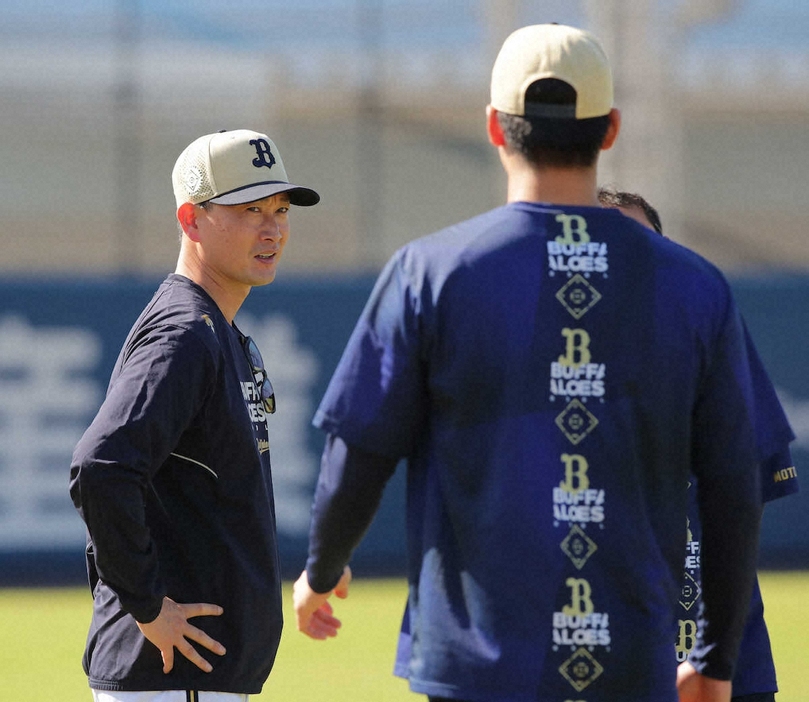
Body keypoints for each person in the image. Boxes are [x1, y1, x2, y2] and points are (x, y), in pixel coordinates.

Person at [293, 23, 763, 702]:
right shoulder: (695, 285)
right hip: (631, 664)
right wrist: (717, 662)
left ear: (492, 126)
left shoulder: (430, 272)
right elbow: (730, 487)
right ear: (609, 131)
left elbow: (360, 449)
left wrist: (320, 567)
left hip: (475, 667)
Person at [69, 128, 319, 701]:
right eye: (250, 208)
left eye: (280, 209)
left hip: (189, 680)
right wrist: (149, 607)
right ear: (191, 220)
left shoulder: (213, 329)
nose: (273, 227)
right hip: (173, 680)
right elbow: (101, 467)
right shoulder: (184, 334)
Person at [598, 187, 800, 702]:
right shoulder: (549, 366)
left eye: (639, 246)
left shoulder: (710, 335)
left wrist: (714, 655)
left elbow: (748, 493)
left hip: (722, 669)